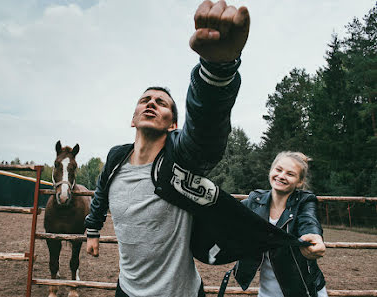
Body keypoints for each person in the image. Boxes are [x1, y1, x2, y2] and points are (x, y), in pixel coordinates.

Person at [84, 1, 250, 296]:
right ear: (133, 119)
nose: (151, 103)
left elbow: (206, 129)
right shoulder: (115, 158)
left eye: (161, 103)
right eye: (145, 100)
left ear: (172, 124)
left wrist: (216, 71)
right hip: (126, 290)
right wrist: (93, 231)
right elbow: (100, 194)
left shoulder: (180, 158)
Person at [234, 151, 328, 297]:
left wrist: (314, 237)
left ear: (300, 181)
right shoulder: (254, 201)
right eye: (278, 170)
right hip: (267, 293)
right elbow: (229, 213)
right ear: (271, 170)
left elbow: (309, 221)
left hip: (304, 291)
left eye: (290, 174)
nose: (282, 176)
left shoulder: (305, 202)